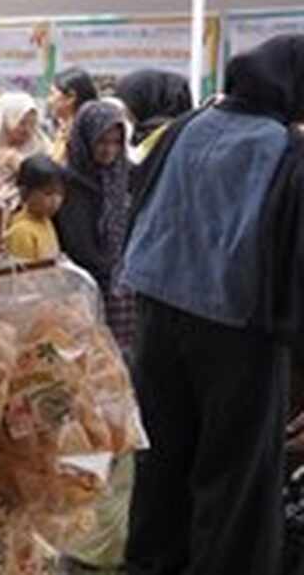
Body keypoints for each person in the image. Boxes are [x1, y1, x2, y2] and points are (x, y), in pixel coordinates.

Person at [122, 35, 304, 575]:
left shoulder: (186, 128)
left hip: (156, 320)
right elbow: (294, 262)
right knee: (235, 483)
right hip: (237, 334)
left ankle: (152, 564)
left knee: (161, 466)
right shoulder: (283, 150)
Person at [54, 100, 135, 353]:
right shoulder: (67, 182)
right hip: (80, 287)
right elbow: (73, 238)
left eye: (115, 142)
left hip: (122, 287)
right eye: (101, 142)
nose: (109, 150)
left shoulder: (127, 175)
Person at [4, 154, 64, 262]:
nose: (55, 200)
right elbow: (25, 275)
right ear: (25, 193)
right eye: (48, 193)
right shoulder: (21, 231)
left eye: (59, 193)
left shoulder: (46, 221)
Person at [48, 67, 99, 163]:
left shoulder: (81, 134)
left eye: (52, 94)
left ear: (71, 97)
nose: (49, 101)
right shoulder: (63, 129)